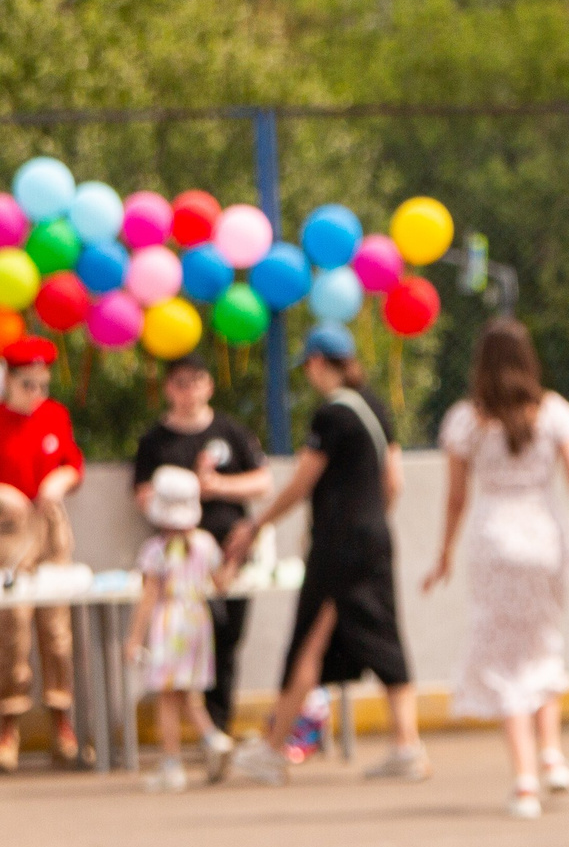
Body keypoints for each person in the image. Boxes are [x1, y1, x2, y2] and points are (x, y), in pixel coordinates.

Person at [423, 319, 569, 820]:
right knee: (542, 643)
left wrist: (443, 556)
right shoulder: (555, 413)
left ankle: (524, 781)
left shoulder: (466, 422)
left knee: (504, 658)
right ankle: (552, 755)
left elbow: (456, 499)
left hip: (494, 540)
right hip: (547, 538)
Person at [224, 325, 428, 785]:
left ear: (318, 362)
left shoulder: (331, 415)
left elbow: (301, 483)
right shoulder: (375, 408)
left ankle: (273, 750)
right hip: (375, 537)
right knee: (383, 634)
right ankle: (407, 743)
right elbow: (393, 481)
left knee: (309, 638)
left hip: (337, 544)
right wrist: (372, 518)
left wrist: (258, 525)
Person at [132, 353, 271, 744]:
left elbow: (263, 482)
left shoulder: (231, 431)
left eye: (195, 381)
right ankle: (198, 736)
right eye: (180, 382)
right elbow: (141, 494)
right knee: (186, 650)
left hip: (225, 551)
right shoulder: (155, 440)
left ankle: (218, 725)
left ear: (208, 385)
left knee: (226, 639)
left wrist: (217, 487)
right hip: (181, 564)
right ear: (168, 389)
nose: (188, 390)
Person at [0, 335, 82, 771]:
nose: (36, 394)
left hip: (50, 531)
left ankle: (62, 724)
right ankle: (8, 728)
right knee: (12, 630)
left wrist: (62, 480)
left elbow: (73, 461)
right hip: (9, 534)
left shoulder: (55, 416)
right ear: (8, 380)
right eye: (27, 384)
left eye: (42, 385)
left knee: (57, 630)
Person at [124, 467, 232, 793]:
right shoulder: (206, 543)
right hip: (198, 620)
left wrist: (133, 637)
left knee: (167, 697)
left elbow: (149, 596)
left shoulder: (156, 550)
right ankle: (213, 739)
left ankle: (171, 764)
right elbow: (221, 583)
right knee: (186, 691)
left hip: (169, 622)